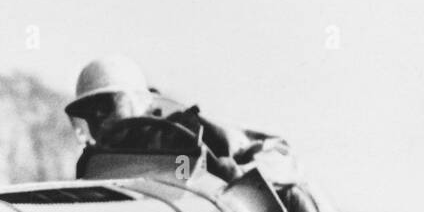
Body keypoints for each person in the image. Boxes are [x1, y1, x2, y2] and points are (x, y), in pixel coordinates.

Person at [65, 55, 295, 184]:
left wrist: (237, 175)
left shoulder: (183, 131)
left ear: (139, 100)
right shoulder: (92, 163)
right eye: (88, 111)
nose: (97, 117)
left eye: (106, 106)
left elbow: (275, 151)